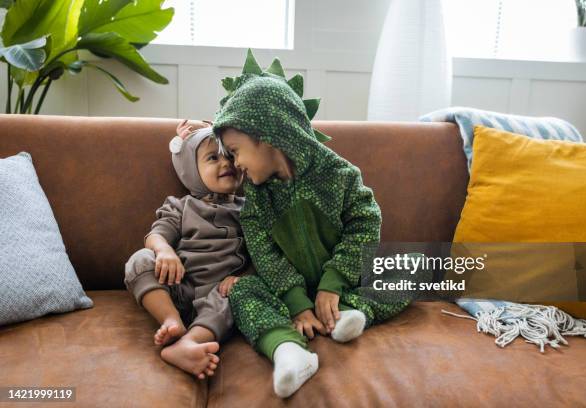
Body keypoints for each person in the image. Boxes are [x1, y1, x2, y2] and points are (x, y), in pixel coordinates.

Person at [213, 50, 412, 398]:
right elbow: (264, 253)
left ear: (268, 134)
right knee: (242, 291)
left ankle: (350, 314)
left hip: (347, 282)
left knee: (413, 267)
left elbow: (366, 221)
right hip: (287, 291)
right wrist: (297, 304)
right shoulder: (258, 198)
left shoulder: (338, 174)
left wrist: (334, 284)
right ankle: (288, 351)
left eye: (236, 150)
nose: (236, 164)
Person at [124, 120, 249, 380]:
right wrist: (164, 252)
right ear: (192, 170)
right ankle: (171, 321)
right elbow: (156, 235)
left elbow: (264, 253)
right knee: (140, 260)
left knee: (238, 296)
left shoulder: (250, 210)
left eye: (230, 155)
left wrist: (244, 276)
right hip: (178, 285)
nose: (225, 163)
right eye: (213, 158)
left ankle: (188, 343)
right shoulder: (181, 207)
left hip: (219, 292)